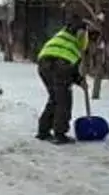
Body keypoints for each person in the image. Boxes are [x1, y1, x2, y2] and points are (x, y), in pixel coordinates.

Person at [36, 15, 93, 144]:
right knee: (64, 100)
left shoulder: (64, 34)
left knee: (55, 97)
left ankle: (43, 131)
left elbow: (68, 69)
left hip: (43, 63)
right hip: (60, 65)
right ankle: (59, 134)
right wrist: (79, 80)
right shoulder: (80, 37)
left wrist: (79, 80)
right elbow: (68, 68)